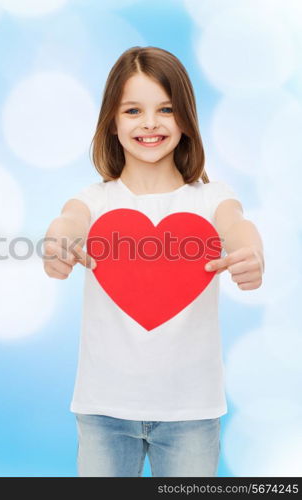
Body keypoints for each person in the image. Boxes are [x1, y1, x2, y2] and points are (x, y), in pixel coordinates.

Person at [42, 46, 265, 477]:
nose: (149, 123)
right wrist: (58, 244)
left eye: (165, 109)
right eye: (132, 110)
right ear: (112, 120)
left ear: (186, 117)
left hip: (192, 413)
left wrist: (249, 253)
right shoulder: (96, 200)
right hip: (103, 410)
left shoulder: (210, 199)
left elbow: (238, 226)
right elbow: (68, 221)